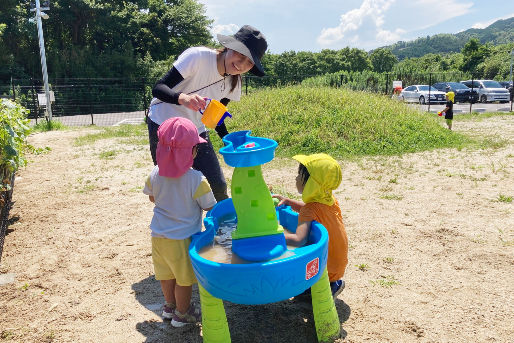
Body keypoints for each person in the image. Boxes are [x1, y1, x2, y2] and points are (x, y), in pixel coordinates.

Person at [146, 25, 268, 201]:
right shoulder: (198, 57)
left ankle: (221, 227)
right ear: (229, 47)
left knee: (218, 185)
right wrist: (183, 98)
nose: (241, 65)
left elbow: (215, 115)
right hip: (164, 125)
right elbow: (158, 88)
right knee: (169, 186)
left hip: (195, 130)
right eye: (240, 55)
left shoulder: (234, 84)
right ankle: (175, 226)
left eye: (249, 62)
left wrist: (229, 140)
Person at [143, 117, 217, 327]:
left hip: (158, 236)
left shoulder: (155, 173)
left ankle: (169, 306)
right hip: (183, 239)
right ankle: (183, 313)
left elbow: (151, 197)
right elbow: (209, 206)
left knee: (166, 275)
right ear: (191, 152)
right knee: (184, 280)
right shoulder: (196, 179)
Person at [272, 153, 348, 298]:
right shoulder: (330, 201)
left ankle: (326, 287)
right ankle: (333, 283)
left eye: (300, 175)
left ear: (312, 183)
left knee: (292, 258)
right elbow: (311, 209)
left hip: (326, 269)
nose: (296, 178)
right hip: (338, 264)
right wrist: (289, 201)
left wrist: (272, 236)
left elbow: (298, 239)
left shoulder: (310, 210)